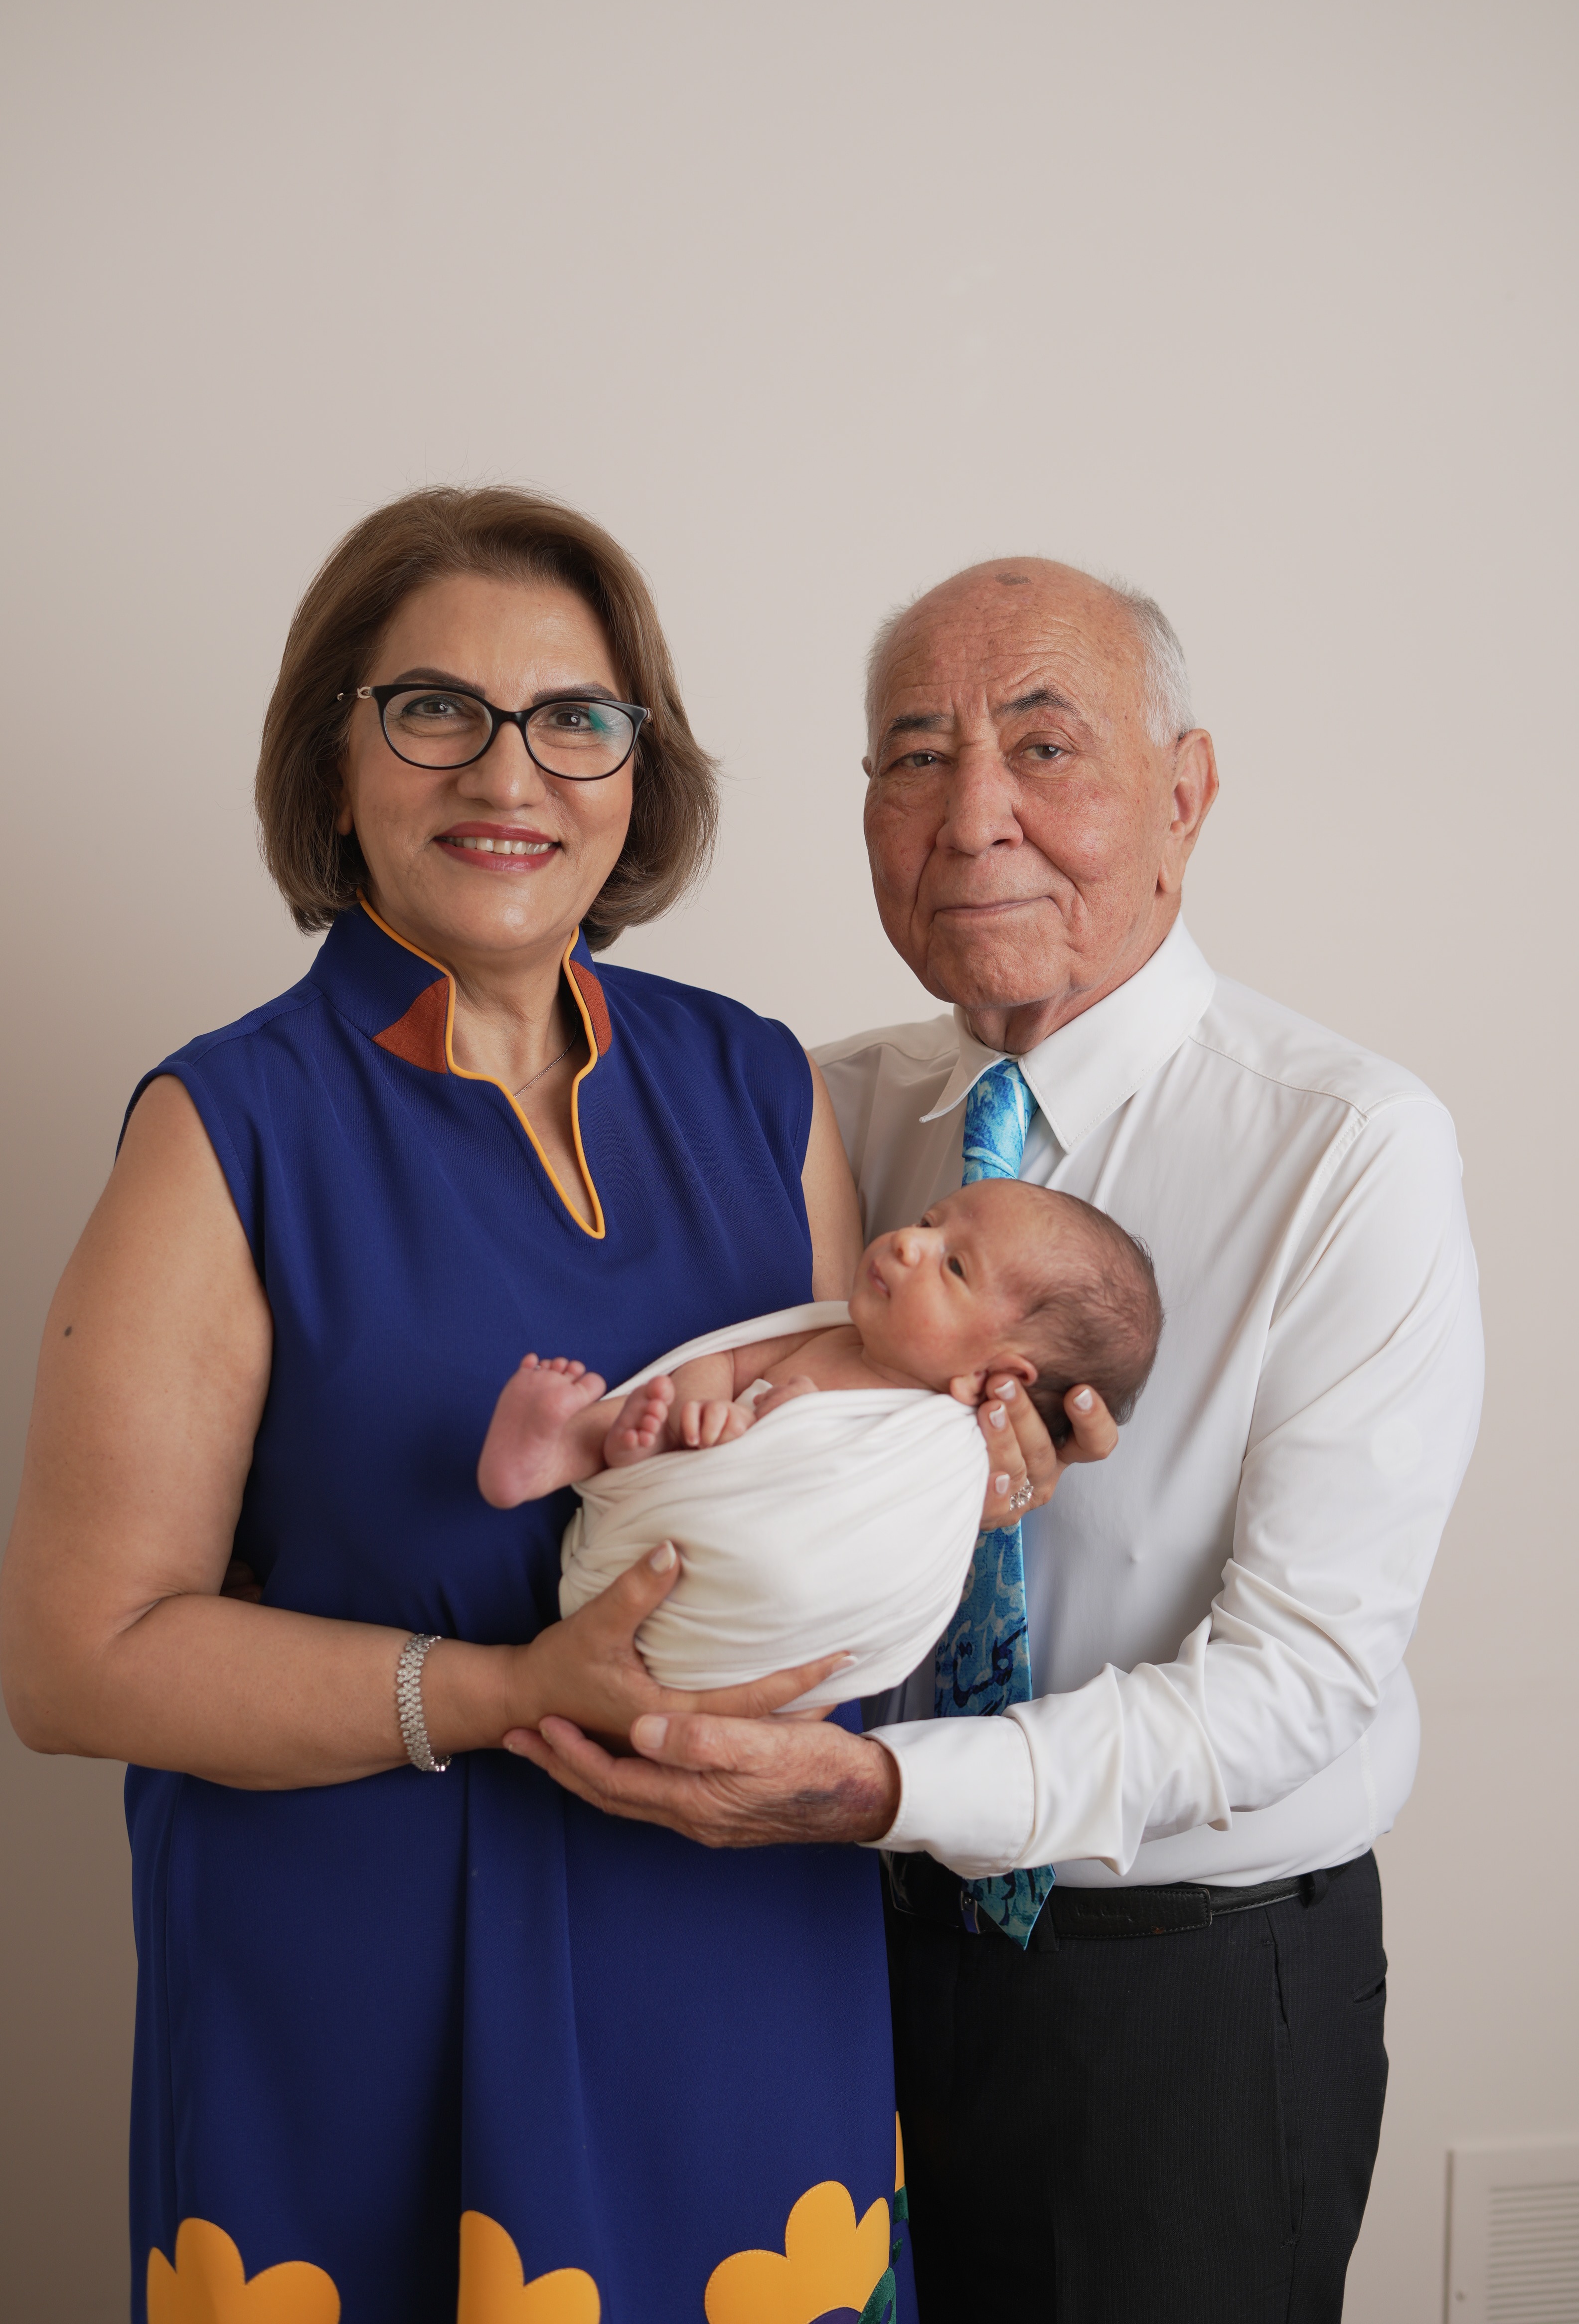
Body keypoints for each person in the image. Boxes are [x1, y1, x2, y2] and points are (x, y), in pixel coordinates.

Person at [0, 488, 1029, 2324]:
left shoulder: (752, 1083)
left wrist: (965, 1472)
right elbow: (80, 1661)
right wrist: (501, 1692)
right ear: (334, 764)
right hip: (360, 2005)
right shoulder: (225, 1129)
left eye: (575, 717)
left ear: (640, 769)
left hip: (735, 1955)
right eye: (434, 710)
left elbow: (838, 1456)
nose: (510, 772)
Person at [512, 558, 1484, 2321]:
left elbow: (1303, 1678)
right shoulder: (806, 1110)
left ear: (1184, 794)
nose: (971, 820)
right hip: (800, 1955)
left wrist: (891, 1791)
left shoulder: (1349, 1150)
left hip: (1169, 1999)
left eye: (1044, 747)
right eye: (913, 757)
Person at [478, 1180, 1161, 1715]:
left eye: (953, 1265)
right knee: (640, 1414)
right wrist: (695, 1413)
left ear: (998, 1377)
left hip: (737, 1619)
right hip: (654, 1508)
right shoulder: (836, 1331)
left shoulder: (945, 1462)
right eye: (928, 1222)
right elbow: (726, 1359)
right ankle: (545, 1460)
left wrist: (781, 1437)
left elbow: (877, 1577)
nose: (908, 1243)